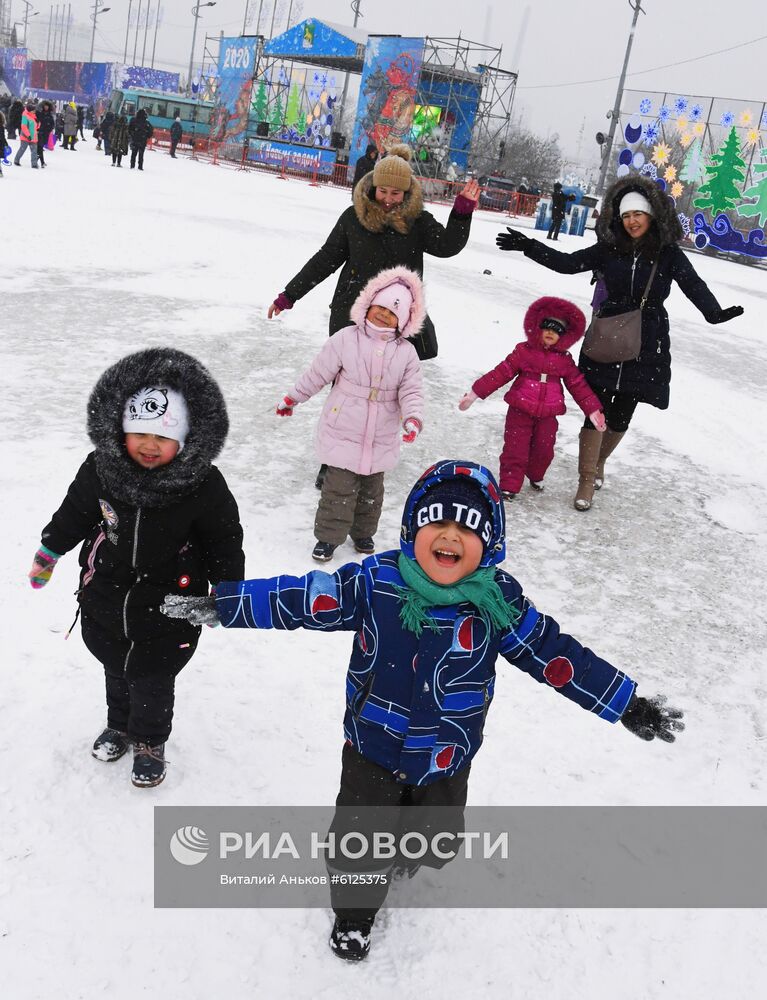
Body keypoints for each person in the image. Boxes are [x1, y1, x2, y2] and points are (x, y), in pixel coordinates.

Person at [162, 458, 684, 961]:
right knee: (360, 843)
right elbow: (304, 597)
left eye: (469, 528)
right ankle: (354, 913)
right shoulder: (376, 583)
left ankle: (405, 852)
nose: (451, 537)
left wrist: (624, 702)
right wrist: (224, 604)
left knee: (434, 841)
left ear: (491, 544)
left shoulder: (497, 604)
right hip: (373, 744)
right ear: (414, 531)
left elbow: (557, 656)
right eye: (438, 522)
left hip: (446, 753)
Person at [27, 348, 245, 788]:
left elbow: (225, 538)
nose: (150, 445)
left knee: (153, 676)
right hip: (107, 591)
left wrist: (228, 593)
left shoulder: (202, 483)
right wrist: (50, 550)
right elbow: (75, 511)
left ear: (184, 440)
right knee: (114, 663)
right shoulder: (102, 469)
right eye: (140, 433)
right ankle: (119, 724)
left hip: (170, 602)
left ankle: (149, 740)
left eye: (163, 438)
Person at [496, 174, 744, 511]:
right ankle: (586, 480)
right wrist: (529, 246)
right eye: (626, 216)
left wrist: (713, 313)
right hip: (607, 333)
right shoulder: (609, 248)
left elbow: (692, 284)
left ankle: (599, 461)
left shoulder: (667, 253)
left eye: (638, 214)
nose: (632, 222)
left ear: (652, 215)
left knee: (623, 412)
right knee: (595, 407)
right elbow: (568, 264)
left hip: (648, 338)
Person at [267, 144, 480, 360]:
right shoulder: (354, 218)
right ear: (373, 187)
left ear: (406, 193)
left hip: (395, 320)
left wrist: (462, 212)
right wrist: (290, 295)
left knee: (388, 386)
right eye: (383, 191)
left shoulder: (418, 222)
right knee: (347, 381)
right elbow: (325, 260)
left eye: (395, 193)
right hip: (353, 315)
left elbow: (447, 246)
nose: (388, 198)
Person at [276, 267, 424, 561]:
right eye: (379, 307)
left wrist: (412, 418)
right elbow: (317, 373)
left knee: (372, 494)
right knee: (338, 490)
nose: (382, 314)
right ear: (367, 305)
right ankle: (329, 538)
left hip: (381, 433)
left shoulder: (406, 353)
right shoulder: (346, 338)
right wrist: (293, 398)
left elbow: (412, 391)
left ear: (405, 319)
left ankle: (363, 533)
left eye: (392, 312)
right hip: (343, 427)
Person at [459, 296, 606, 500]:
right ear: (538, 328)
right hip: (520, 410)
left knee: (544, 451)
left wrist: (592, 409)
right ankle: (509, 485)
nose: (550, 333)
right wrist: (475, 393)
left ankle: (536, 475)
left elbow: (578, 385)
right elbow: (500, 373)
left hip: (548, 415)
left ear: (563, 336)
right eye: (547, 328)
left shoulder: (564, 361)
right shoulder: (523, 352)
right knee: (515, 449)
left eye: (556, 331)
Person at [13, 100, 38, 168]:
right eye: (33, 110)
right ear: (30, 110)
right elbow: (23, 127)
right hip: (25, 136)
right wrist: (28, 135)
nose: (35, 111)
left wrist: (38, 124)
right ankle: (16, 160)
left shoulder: (34, 116)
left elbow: (35, 127)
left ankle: (34, 164)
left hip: (33, 136)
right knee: (23, 149)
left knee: (34, 150)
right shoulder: (25, 116)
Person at [36, 100, 55, 169]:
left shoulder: (50, 115)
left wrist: (49, 129)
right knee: (40, 147)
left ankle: (37, 160)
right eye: (45, 106)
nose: (46, 107)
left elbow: (52, 124)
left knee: (40, 147)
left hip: (46, 134)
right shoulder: (40, 113)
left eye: (47, 106)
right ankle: (42, 162)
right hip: (39, 133)